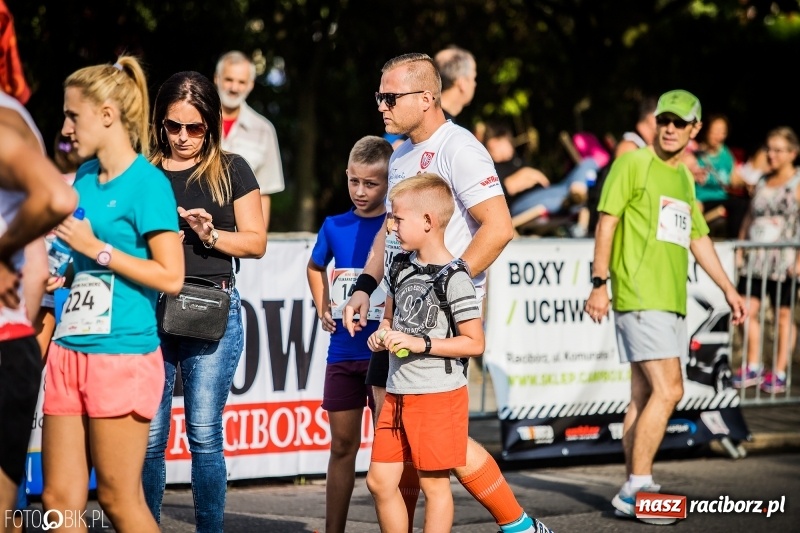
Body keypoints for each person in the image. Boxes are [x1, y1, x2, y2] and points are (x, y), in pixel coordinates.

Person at [345, 53, 552, 533]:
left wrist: (443, 292)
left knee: (444, 448)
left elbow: (497, 228)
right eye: (379, 96)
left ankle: (518, 524)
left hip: (438, 327)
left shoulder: (459, 148)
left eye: (390, 96)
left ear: (427, 97)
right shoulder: (399, 154)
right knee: (396, 455)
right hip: (398, 319)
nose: (381, 106)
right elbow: (388, 235)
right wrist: (365, 286)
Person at [584, 89, 747, 525]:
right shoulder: (633, 162)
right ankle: (636, 487)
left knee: (643, 394)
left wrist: (729, 290)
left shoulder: (684, 179)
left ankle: (636, 483)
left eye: (680, 122)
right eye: (664, 120)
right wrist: (600, 282)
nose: (670, 128)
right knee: (671, 388)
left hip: (670, 299)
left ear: (694, 130)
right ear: (656, 123)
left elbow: (697, 237)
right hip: (639, 293)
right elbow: (607, 222)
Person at [41, 56, 184, 533]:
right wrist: (60, 271)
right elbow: (78, 256)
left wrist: (97, 251)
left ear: (106, 115)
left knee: (119, 500)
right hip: (68, 351)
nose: (64, 127)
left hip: (121, 354)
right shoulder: (82, 177)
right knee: (59, 499)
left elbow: (171, 277)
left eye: (72, 115)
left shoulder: (149, 184)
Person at [143, 70, 267, 532]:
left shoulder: (232, 168)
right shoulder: (145, 172)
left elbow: (256, 243)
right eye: (172, 126)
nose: (182, 137)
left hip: (210, 307)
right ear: (160, 125)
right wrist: (152, 241)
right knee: (150, 437)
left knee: (204, 435)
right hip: (150, 307)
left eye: (194, 128)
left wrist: (209, 234)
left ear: (211, 124)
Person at [365, 173, 484, 533]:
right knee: (380, 481)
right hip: (398, 391)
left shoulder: (455, 277)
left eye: (398, 218)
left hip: (437, 396)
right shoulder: (399, 265)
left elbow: (475, 343)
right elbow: (388, 318)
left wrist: (422, 344)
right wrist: (381, 335)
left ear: (428, 222)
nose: (391, 226)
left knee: (434, 485)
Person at [0, 91, 77, 531]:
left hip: (17, 333)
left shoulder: (6, 122)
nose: (68, 133)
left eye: (75, 120)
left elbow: (54, 198)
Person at [307, 135, 390, 533]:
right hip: (341, 353)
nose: (360, 191)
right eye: (354, 181)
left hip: (384, 353)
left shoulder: (396, 227)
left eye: (371, 183)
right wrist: (322, 303)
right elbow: (314, 265)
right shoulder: (334, 225)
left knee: (386, 454)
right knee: (342, 446)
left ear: (391, 181)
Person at [733, 126, 800, 395]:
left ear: (792, 153)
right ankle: (753, 364)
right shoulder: (761, 181)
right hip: (757, 258)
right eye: (768, 149)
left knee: (784, 314)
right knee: (747, 309)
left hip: (785, 259)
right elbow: (750, 216)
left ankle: (780, 370)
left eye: (777, 150)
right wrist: (741, 247)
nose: (771, 155)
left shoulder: (797, 182)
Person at [214, 50, 284, 231]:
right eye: (229, 79)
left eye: (241, 82)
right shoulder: (194, 123)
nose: (234, 87)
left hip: (240, 236)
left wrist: (257, 239)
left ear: (251, 85)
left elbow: (264, 192)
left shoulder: (264, 130)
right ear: (217, 78)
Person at [483, 120, 596, 230]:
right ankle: (574, 197)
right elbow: (505, 189)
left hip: (547, 193)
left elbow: (541, 181)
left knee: (588, 163)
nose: (510, 146)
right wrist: (525, 174)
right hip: (522, 203)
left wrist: (527, 175)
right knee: (565, 197)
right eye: (507, 142)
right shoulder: (490, 167)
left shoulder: (516, 161)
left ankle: (576, 191)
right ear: (493, 143)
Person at [692, 114, 750, 238]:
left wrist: (749, 184)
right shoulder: (696, 154)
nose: (719, 136)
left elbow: (734, 179)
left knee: (741, 205)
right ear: (707, 131)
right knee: (695, 208)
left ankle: (735, 243)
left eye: (722, 132)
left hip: (721, 199)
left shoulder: (725, 153)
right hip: (702, 200)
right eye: (715, 132)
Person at [434, 46, 477, 123]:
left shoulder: (423, 116)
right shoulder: (444, 127)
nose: (474, 84)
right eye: (473, 78)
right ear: (462, 82)